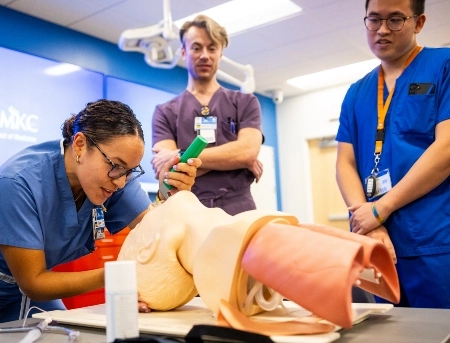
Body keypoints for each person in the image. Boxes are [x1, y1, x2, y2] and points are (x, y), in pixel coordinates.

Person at [0, 99, 201, 323]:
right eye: (115, 166)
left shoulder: (115, 178)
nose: (122, 182)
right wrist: (114, 276)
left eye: (130, 171)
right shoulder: (17, 183)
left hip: (31, 291)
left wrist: (171, 195)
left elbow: (155, 231)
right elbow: (34, 282)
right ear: (79, 144)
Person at [336, 0, 450, 308]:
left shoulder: (444, 66)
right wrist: (366, 220)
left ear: (419, 22)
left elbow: (447, 148)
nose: (382, 30)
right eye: (374, 20)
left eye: (396, 20)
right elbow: (344, 162)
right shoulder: (356, 92)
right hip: (376, 242)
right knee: (390, 333)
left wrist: (380, 209)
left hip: (435, 241)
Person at [151, 14, 264, 215]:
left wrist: (179, 155)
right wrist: (233, 158)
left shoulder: (245, 102)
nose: (205, 55)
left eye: (212, 48)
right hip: (187, 210)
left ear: (220, 53)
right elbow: (168, 172)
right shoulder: (165, 112)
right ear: (184, 52)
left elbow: (247, 152)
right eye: (196, 47)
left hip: (239, 209)